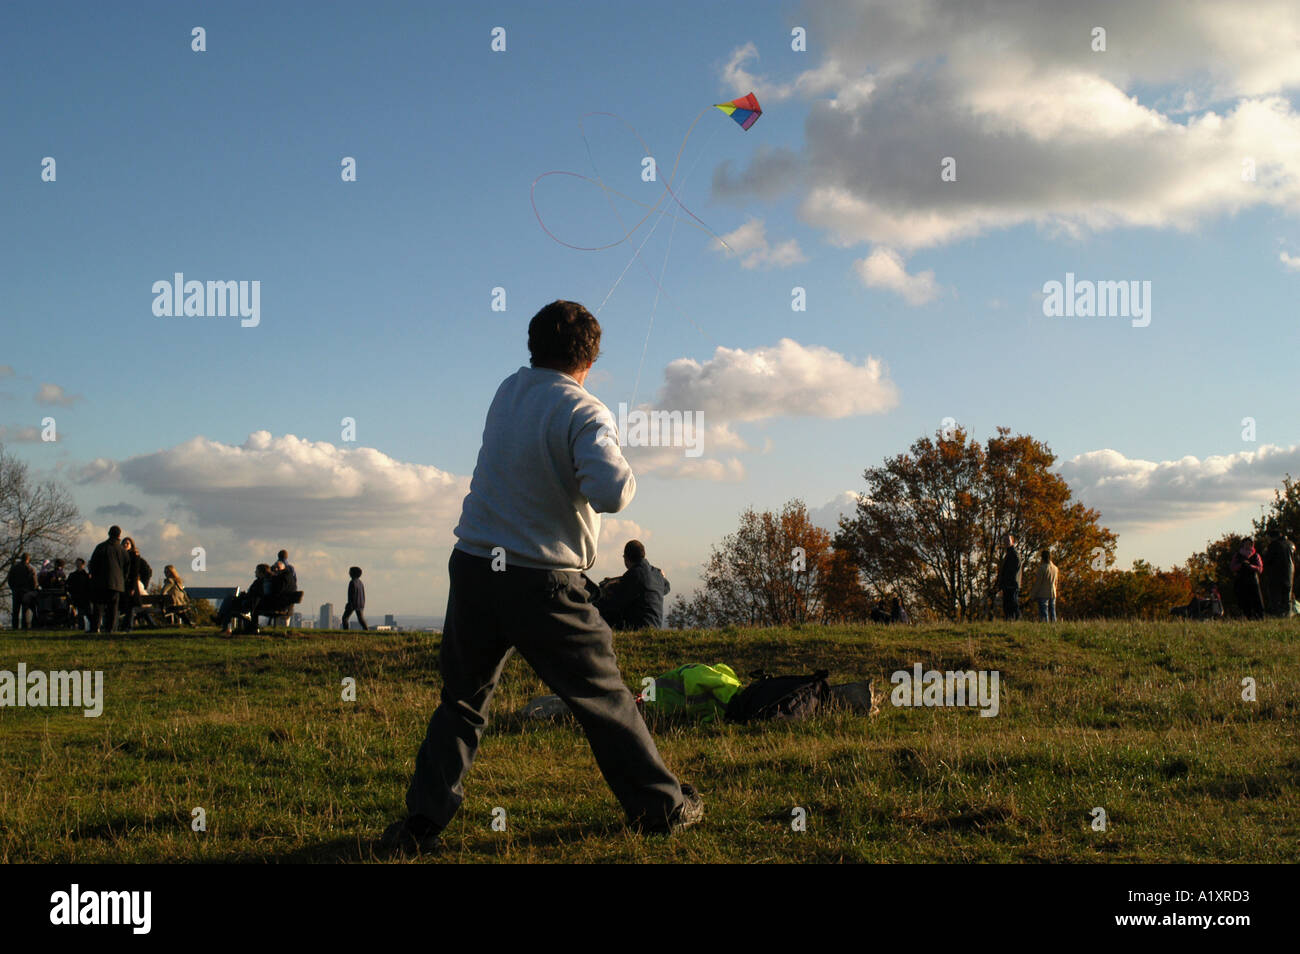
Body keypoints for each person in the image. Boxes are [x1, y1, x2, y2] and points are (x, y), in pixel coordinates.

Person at [382, 300, 699, 856]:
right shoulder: (587, 410)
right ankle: (662, 808)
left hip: (475, 566)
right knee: (605, 700)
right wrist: (620, 458)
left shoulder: (507, 391)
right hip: (543, 580)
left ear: (532, 347)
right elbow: (610, 491)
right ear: (592, 359)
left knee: (461, 701)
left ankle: (419, 827)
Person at [596, 541, 671, 630]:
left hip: (638, 627)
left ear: (626, 558)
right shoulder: (656, 573)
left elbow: (615, 602)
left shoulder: (633, 575)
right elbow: (666, 588)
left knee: (602, 612)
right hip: (655, 626)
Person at [88, 526, 131, 633]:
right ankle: (110, 629)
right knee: (113, 608)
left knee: (98, 607)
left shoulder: (101, 547)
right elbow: (127, 567)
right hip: (117, 583)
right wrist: (122, 579)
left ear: (108, 533)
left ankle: (95, 627)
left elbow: (93, 564)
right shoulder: (122, 550)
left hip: (100, 582)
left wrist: (94, 576)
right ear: (119, 535)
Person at [121, 537, 152, 631]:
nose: (125, 545)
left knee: (130, 607)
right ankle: (126, 626)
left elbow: (146, 571)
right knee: (128, 607)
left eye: (127, 543)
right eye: (124, 543)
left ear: (131, 545)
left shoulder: (134, 556)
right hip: (124, 585)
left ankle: (128, 626)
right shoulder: (121, 556)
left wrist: (142, 584)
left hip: (132, 584)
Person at [1262, 526, 1295, 617]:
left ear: (1272, 537)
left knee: (1275, 598)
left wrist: (1265, 553)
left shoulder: (1274, 545)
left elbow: (1268, 560)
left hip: (1276, 575)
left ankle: (1277, 616)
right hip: (1289, 574)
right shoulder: (1290, 544)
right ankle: (1288, 616)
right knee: (1287, 597)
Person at [1230, 539, 1265, 620]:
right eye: (1246, 544)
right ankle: (1247, 616)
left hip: (1253, 581)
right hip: (1241, 581)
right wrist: (1241, 565)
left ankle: (1259, 617)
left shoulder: (1256, 555)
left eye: (1250, 544)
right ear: (1243, 545)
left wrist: (1251, 566)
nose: (1248, 545)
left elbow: (1260, 568)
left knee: (1257, 600)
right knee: (1243, 600)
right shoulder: (1238, 555)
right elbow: (1232, 567)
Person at [6, 553, 38, 630]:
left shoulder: (14, 568)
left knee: (15, 610)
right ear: (28, 559)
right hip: (26, 592)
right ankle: (24, 626)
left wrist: (13, 588)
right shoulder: (30, 569)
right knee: (25, 610)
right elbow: (34, 582)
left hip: (16, 591)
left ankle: (15, 626)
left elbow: (10, 580)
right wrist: (33, 589)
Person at [997, 533, 1022, 620]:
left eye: (1008, 540)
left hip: (1012, 584)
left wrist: (1008, 582)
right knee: (1008, 604)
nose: (1006, 542)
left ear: (1013, 542)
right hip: (1008, 584)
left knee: (1013, 604)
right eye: (1005, 541)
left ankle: (1016, 619)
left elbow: (1012, 571)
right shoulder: (1009, 554)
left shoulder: (1014, 554)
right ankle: (1010, 620)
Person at [1030, 548, 1059, 622]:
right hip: (1053, 593)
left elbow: (1038, 583)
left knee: (1044, 613)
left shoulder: (1042, 568)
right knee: (1053, 612)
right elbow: (1056, 582)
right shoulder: (1055, 568)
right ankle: (1054, 626)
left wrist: (1033, 594)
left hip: (1043, 593)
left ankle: (1045, 627)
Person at [67, 557, 92, 631]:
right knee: (77, 613)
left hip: (84, 597)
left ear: (83, 565)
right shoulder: (72, 575)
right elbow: (68, 585)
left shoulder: (86, 576)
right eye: (77, 563)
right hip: (75, 596)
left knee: (87, 613)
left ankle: (86, 626)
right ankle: (79, 626)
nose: (78, 565)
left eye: (79, 563)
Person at [342, 566, 368, 630]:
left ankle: (346, 632)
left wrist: (349, 604)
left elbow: (351, 595)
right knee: (361, 619)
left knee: (344, 618)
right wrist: (363, 603)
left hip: (353, 603)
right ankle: (366, 630)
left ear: (353, 573)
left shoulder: (352, 582)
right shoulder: (360, 582)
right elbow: (363, 594)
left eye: (350, 571)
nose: (349, 573)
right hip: (360, 603)